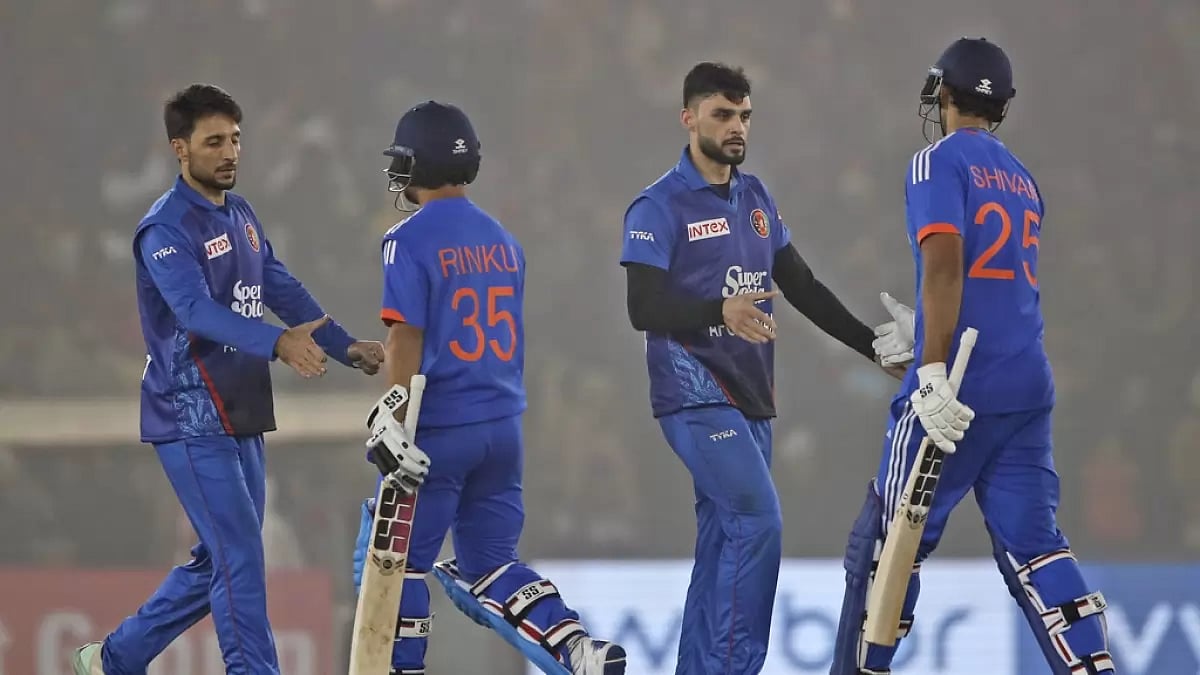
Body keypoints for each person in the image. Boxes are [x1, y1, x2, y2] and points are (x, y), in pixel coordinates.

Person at [73, 83, 384, 675]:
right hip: (189, 411)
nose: (230, 152)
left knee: (223, 557)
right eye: (214, 141)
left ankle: (114, 659)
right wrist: (278, 343)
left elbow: (280, 286)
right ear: (180, 149)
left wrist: (344, 347)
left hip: (241, 405)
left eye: (235, 139)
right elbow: (194, 311)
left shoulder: (240, 214)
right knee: (239, 554)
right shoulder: (164, 228)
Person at [830, 38, 1116, 675]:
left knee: (885, 544)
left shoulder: (935, 161)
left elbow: (945, 263)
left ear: (943, 92)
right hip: (1025, 383)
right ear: (1002, 105)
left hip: (957, 386)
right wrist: (928, 326)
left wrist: (931, 366)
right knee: (1037, 550)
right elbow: (997, 282)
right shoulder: (1023, 178)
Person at [619, 62, 890, 674]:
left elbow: (803, 286)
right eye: (722, 115)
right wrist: (719, 309)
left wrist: (873, 347)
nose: (736, 126)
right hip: (694, 392)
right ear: (689, 118)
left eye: (743, 115)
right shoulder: (658, 205)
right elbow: (642, 309)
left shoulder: (756, 197)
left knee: (722, 539)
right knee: (757, 520)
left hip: (752, 399)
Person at [350, 100, 626, 675]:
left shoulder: (406, 238)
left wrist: (395, 416)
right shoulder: (505, 240)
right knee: (491, 566)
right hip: (502, 431)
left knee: (391, 566)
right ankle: (576, 646)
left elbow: (405, 336)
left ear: (417, 162)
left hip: (438, 429)